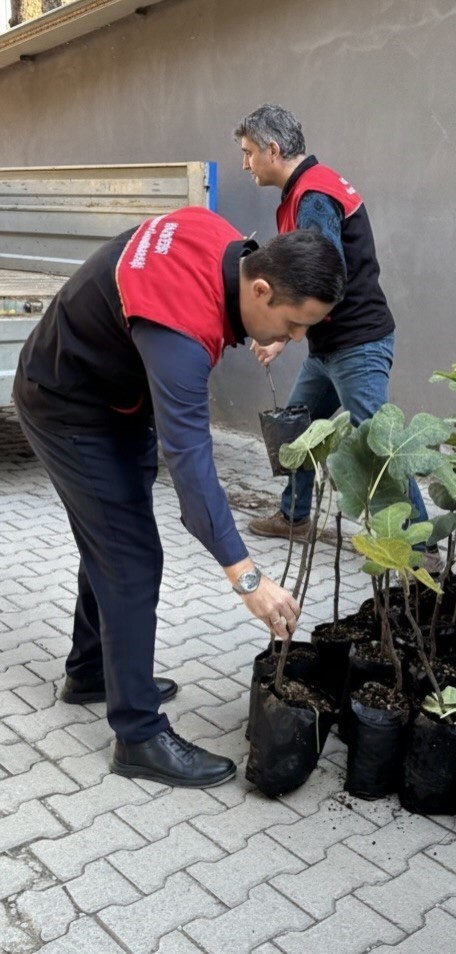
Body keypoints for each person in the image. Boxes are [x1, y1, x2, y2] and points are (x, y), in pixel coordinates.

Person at [13, 206, 346, 788]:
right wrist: (248, 578)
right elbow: (193, 473)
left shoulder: (218, 235)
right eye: (294, 325)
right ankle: (137, 736)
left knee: (117, 541)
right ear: (262, 288)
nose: (293, 341)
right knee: (133, 558)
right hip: (67, 406)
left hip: (115, 399)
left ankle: (92, 670)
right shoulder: (181, 336)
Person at [234, 104, 442, 572]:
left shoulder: (313, 197)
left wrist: (283, 337)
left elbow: (323, 278)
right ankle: (294, 516)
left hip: (358, 343)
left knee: (377, 439)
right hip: (330, 347)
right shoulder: (306, 190)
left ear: (272, 148)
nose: (245, 164)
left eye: (249, 153)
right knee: (300, 427)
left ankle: (418, 546)